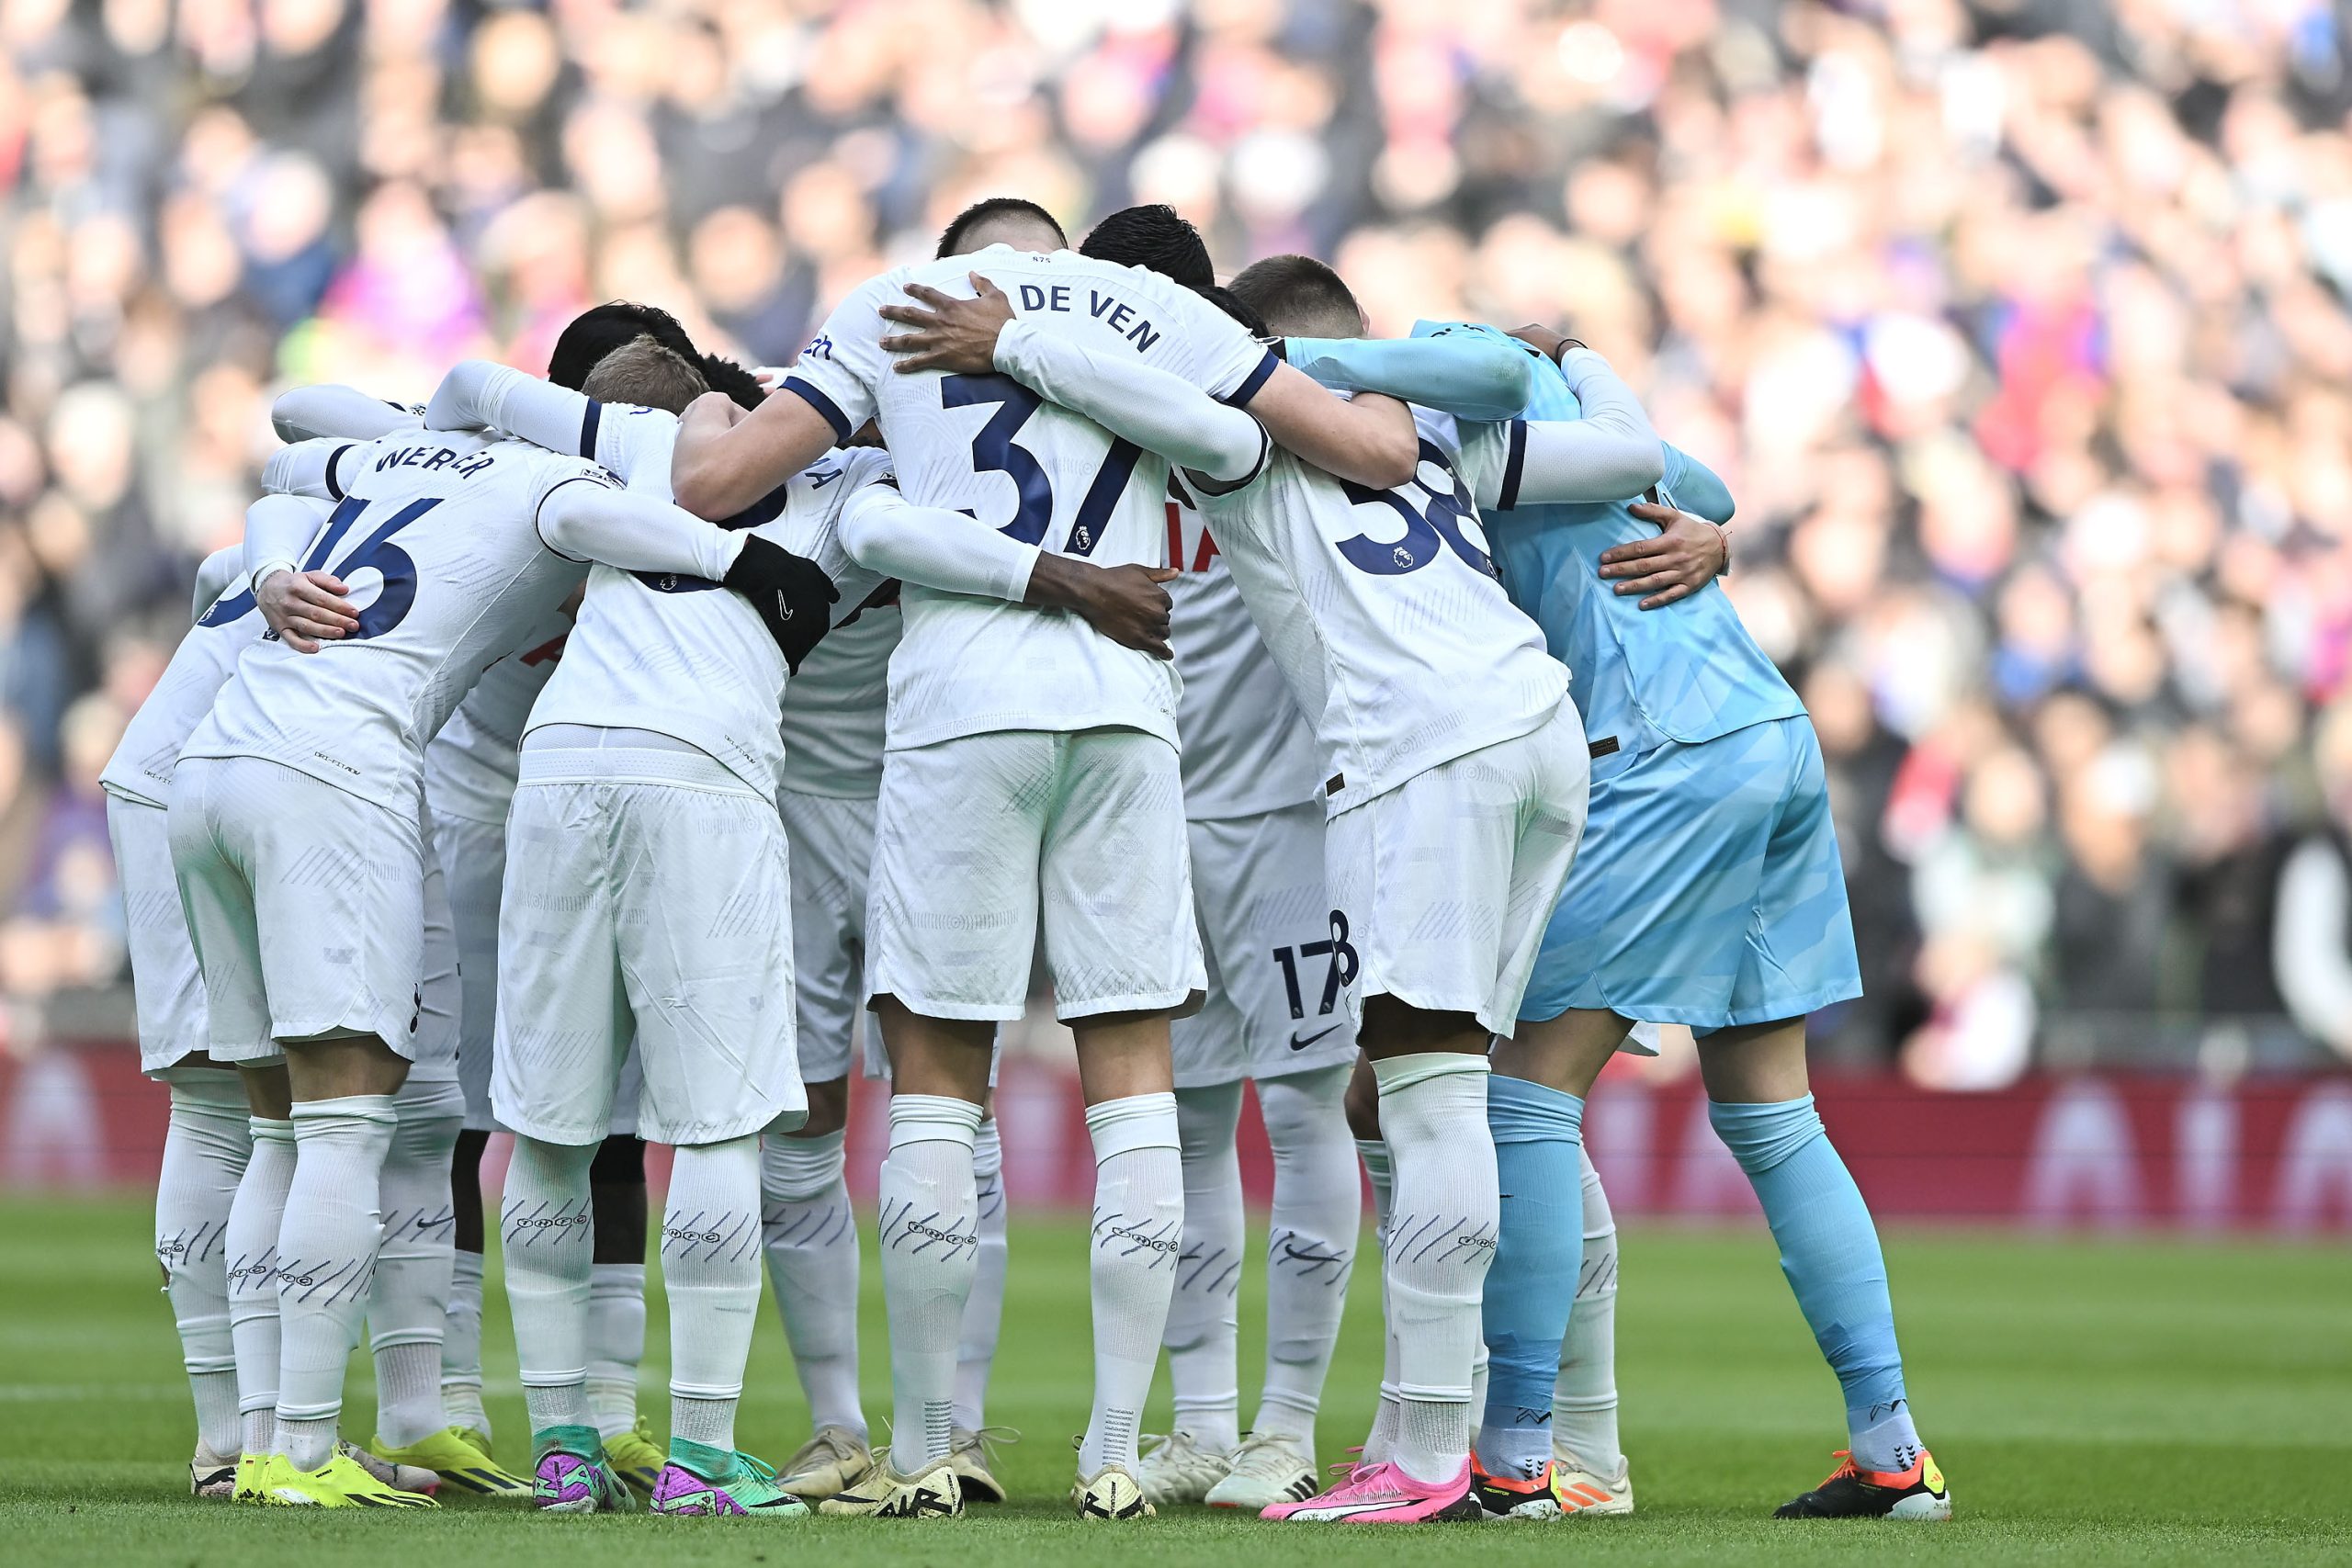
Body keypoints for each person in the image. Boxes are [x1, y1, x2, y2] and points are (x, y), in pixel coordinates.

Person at [873, 237, 1654, 1523]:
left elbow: (1175, 403)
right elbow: (1628, 457)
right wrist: (1586, 366)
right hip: (1537, 731)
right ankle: (1490, 1437)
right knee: (1446, 1097)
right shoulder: (1440, 434)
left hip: (1413, 754)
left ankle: (1423, 1456)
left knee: (1424, 1106)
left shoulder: (1247, 440)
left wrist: (1011, 339)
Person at [664, 201, 1420, 1521]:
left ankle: (927, 1448)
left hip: (961, 708)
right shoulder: (1148, 312)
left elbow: (714, 488)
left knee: (937, 1086)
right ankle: (1115, 1452)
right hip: (1127, 713)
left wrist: (691, 413)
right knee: (1134, 1085)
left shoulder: (892, 304)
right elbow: (1341, 446)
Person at [165, 391, 829, 1509]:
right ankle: (306, 1455)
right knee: (347, 1117)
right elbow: (614, 522)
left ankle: (259, 1442)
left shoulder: (390, 460)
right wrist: (749, 561)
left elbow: (282, 462)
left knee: (271, 1122)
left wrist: (271, 573)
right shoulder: (551, 482)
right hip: (334, 775)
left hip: (208, 766)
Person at [1436, 316, 1951, 1522]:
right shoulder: (1612, 440)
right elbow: (1707, 492)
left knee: (1526, 1094)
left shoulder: (1472, 450)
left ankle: (1512, 1464)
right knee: (1774, 1114)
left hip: (1663, 754)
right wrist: (1702, 523)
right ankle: (1893, 1454)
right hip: (1769, 734)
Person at [1134, 479, 1362, 1512]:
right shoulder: (1107, 441)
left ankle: (1288, 1427)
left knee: (1306, 1110)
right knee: (1186, 1123)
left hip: (1287, 818)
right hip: (1148, 811)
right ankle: (1202, 1426)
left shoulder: (1272, 437)